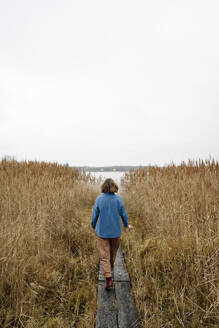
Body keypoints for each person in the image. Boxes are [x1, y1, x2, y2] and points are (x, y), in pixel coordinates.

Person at [91, 178, 133, 291]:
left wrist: (93, 225)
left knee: (104, 256)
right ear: (114, 186)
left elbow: (95, 214)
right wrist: (126, 225)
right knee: (113, 254)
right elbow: (123, 213)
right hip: (115, 232)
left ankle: (108, 278)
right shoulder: (118, 199)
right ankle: (109, 271)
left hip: (103, 232)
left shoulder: (99, 199)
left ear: (103, 187)